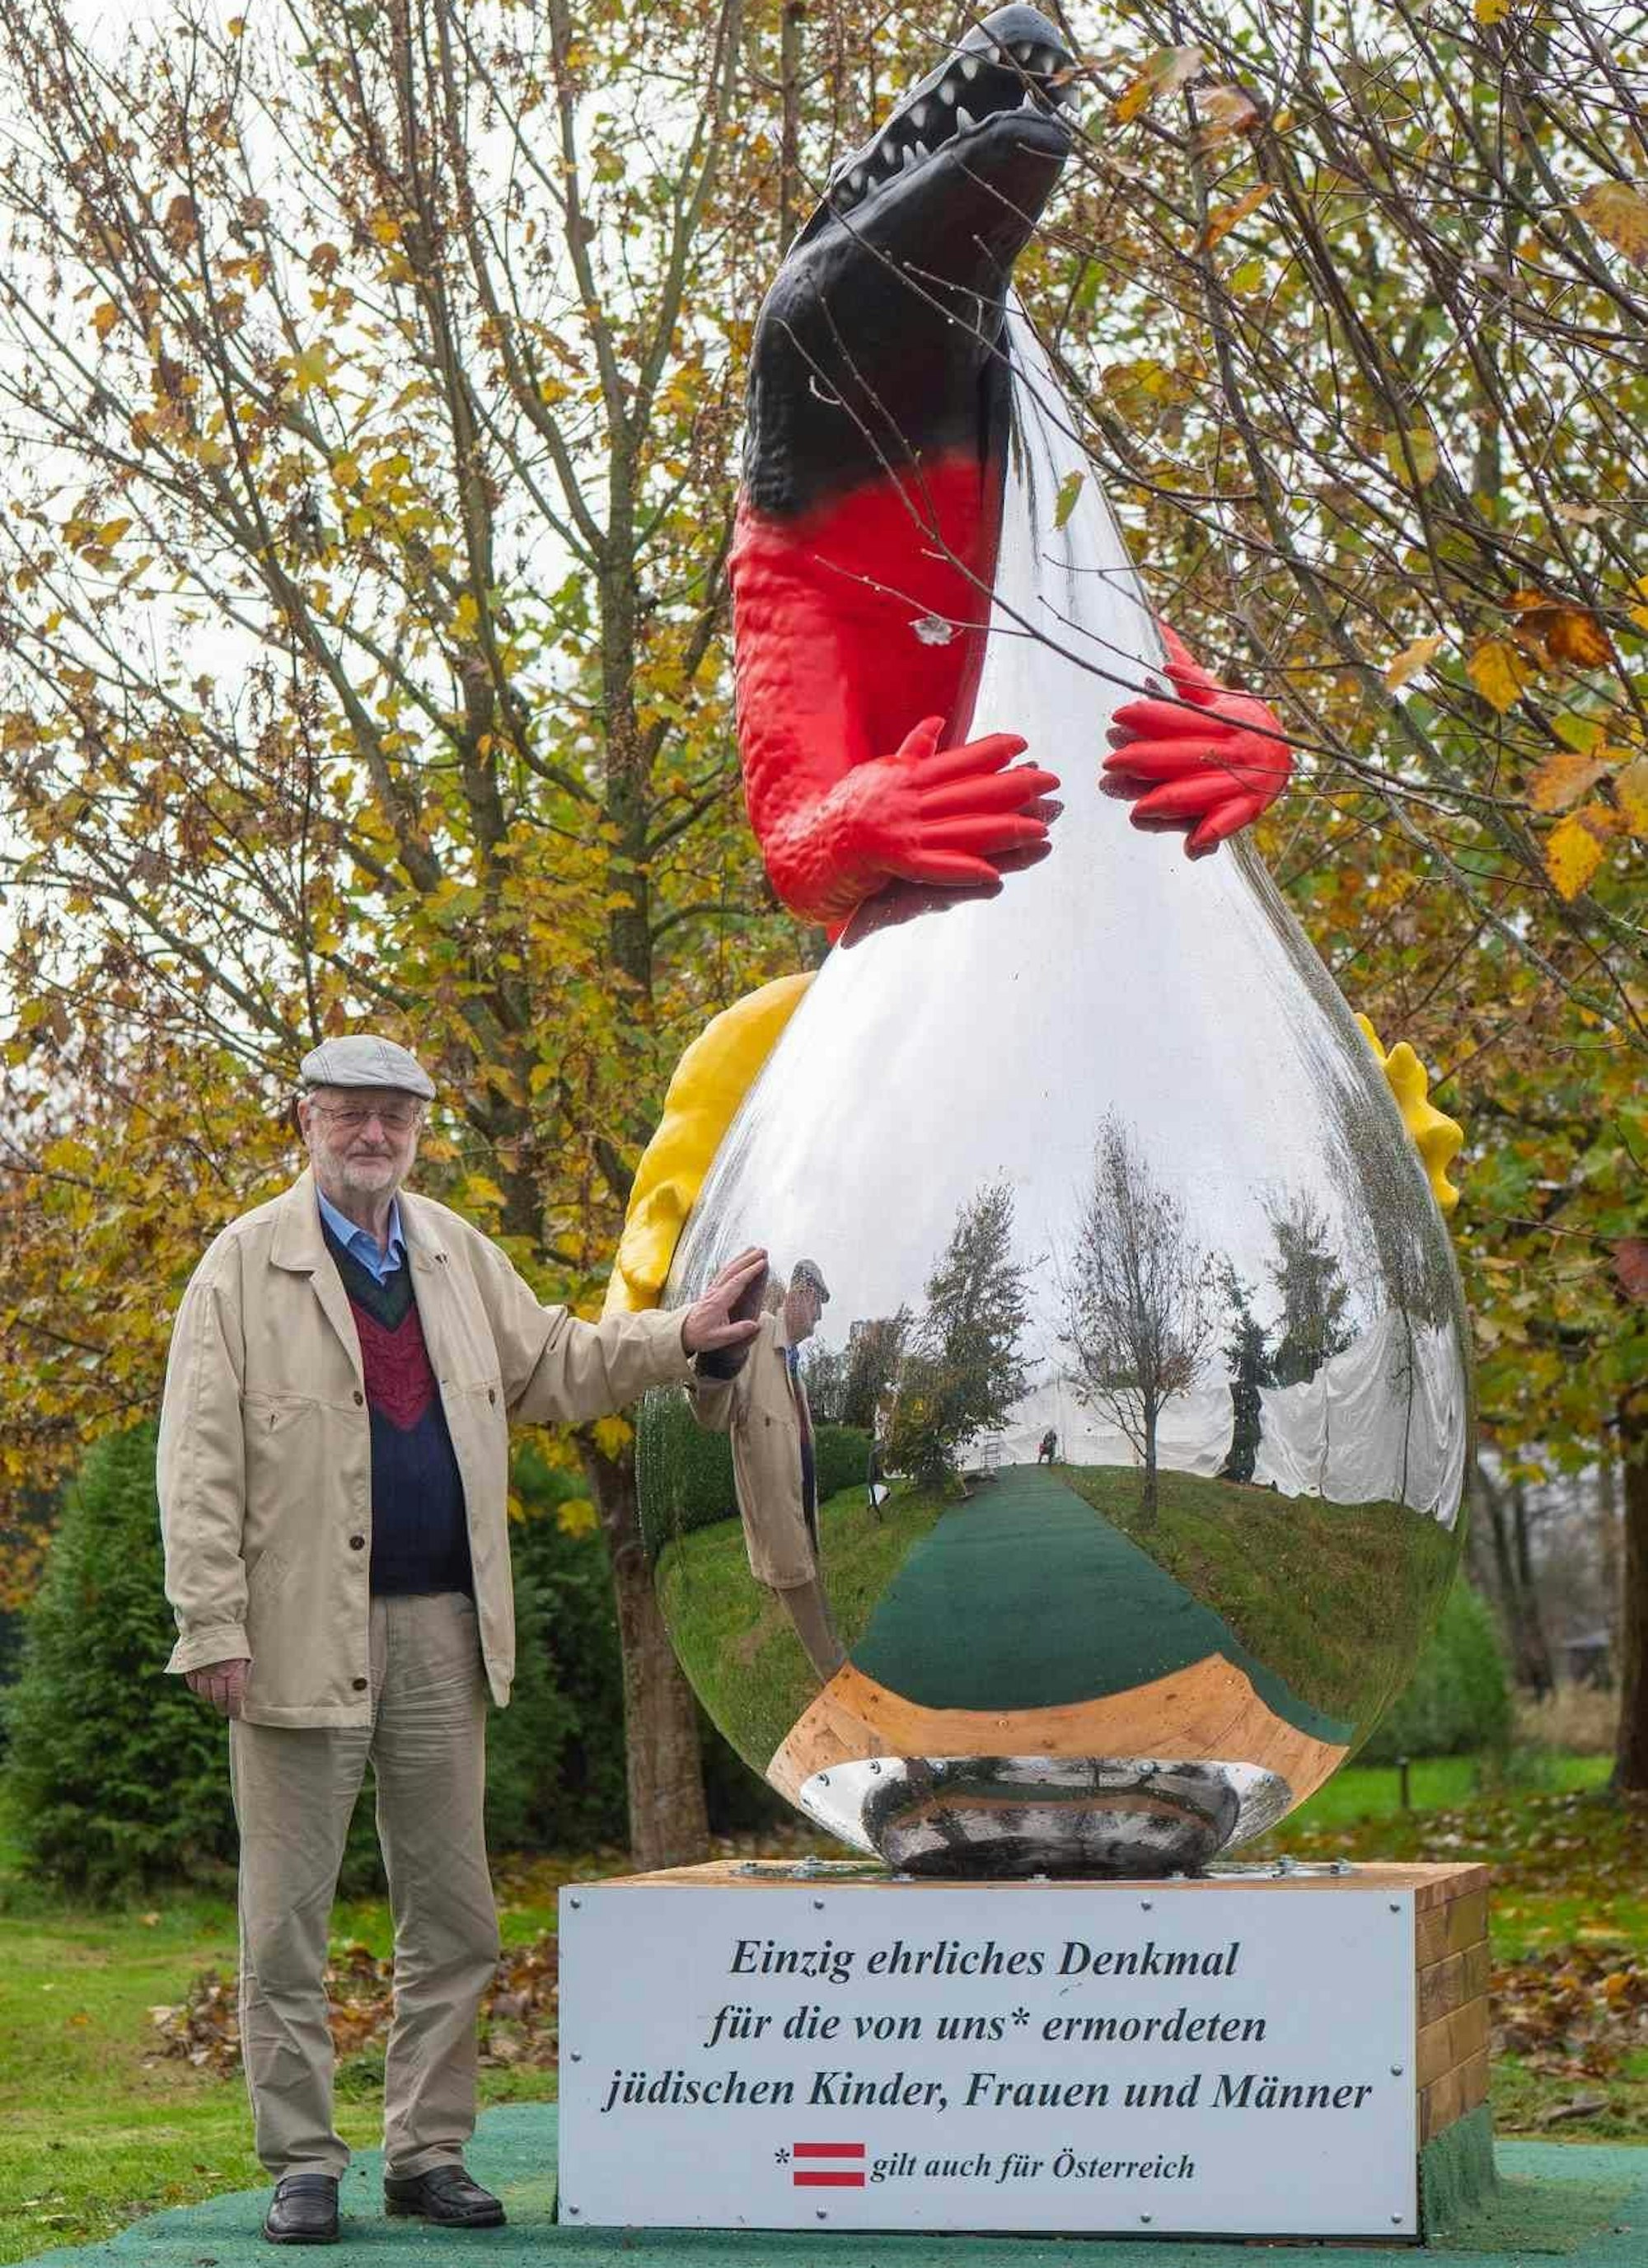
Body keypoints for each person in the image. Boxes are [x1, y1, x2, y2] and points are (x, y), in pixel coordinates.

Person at [156, 1034, 764, 2246]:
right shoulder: (241, 1265)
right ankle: (302, 2165)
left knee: (456, 1918)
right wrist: (211, 1625)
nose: (372, 1134)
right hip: (292, 1639)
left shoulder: (453, 1252)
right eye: (349, 1113)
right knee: (285, 1925)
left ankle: (426, 2153)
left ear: (418, 1130)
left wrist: (682, 1335)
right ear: (306, 1121)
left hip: (444, 1629)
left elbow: (559, 1365)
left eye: (393, 1116)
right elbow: (198, 1465)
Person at [689, 1257, 845, 1681]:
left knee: (823, 1613)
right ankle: (843, 1696)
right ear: (802, 1295)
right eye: (818, 1304)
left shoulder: (793, 1364)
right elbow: (713, 1414)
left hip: (802, 1516)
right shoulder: (755, 1336)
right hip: (778, 1526)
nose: (819, 1316)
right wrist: (714, 1360)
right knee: (821, 1646)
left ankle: (842, 1675)